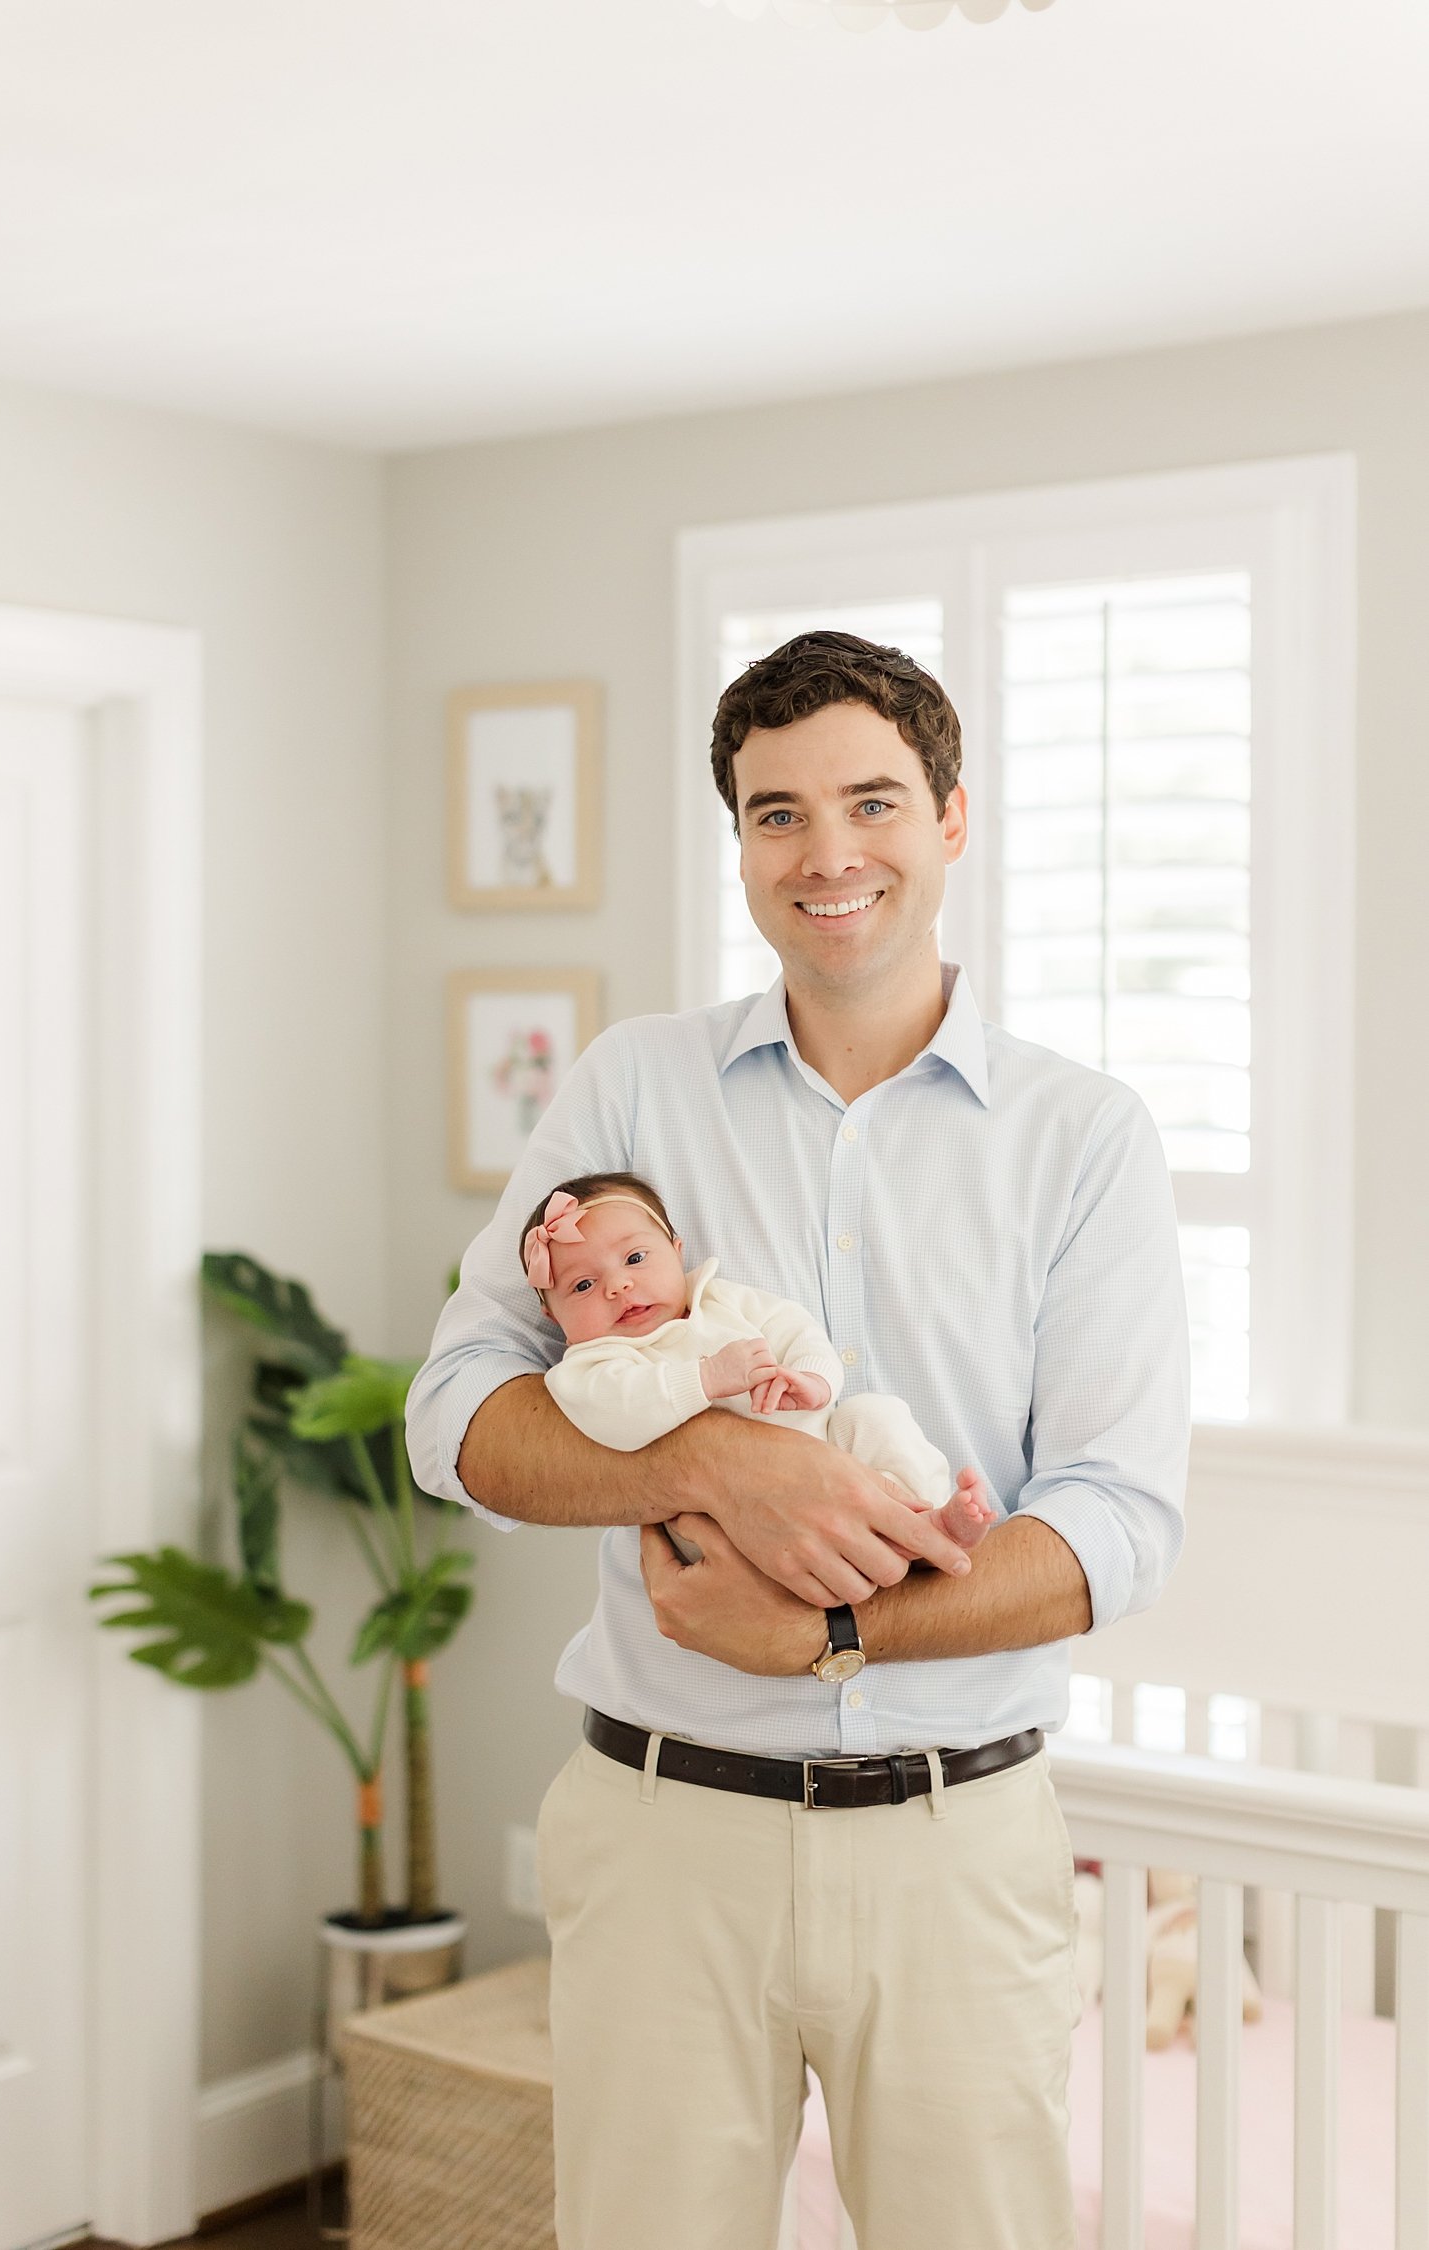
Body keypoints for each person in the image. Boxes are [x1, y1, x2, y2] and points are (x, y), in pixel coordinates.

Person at [406, 629, 1190, 2250]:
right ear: (740, 842)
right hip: (660, 1834)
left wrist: (827, 1630)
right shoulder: (631, 1088)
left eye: (873, 803)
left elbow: (1117, 1520)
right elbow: (455, 1423)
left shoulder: (1083, 1137)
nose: (828, 855)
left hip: (956, 1845)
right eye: (776, 814)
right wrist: (707, 1460)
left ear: (953, 819)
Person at [517, 1170, 996, 1561]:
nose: (618, 1286)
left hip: (829, 1450)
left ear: (677, 1252)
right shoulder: (592, 1363)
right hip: (730, 1514)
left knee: (875, 1414)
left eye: (636, 1258)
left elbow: (795, 1329)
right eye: (582, 1286)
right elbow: (618, 1415)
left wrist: (811, 1378)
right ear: (551, 1315)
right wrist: (704, 1379)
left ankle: (926, 1520)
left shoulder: (724, 1298)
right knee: (702, 1536)